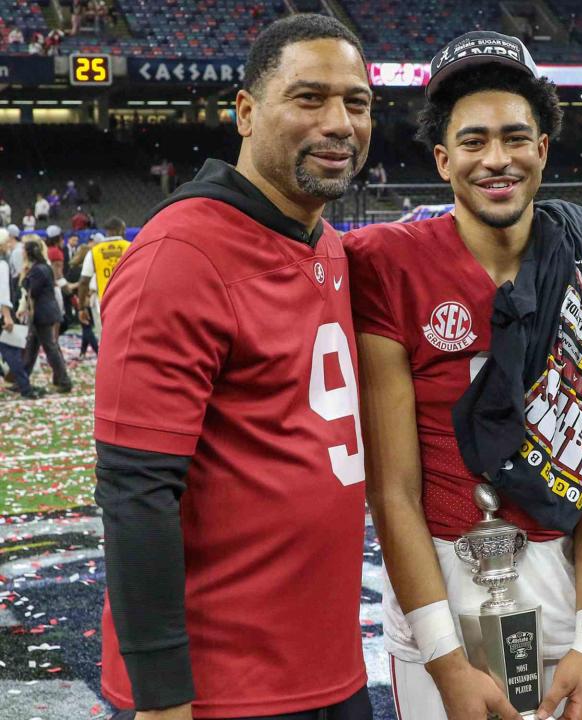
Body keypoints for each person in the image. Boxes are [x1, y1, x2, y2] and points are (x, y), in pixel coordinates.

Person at [346, 31, 582, 720]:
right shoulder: (388, 264)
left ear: (543, 147)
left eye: (515, 137)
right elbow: (393, 490)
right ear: (443, 159)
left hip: (569, 601)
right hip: (440, 612)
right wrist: (446, 661)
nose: (497, 159)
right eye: (474, 141)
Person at [94, 14, 373, 720]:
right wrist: (162, 700)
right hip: (223, 689)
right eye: (309, 98)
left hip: (329, 667)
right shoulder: (180, 257)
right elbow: (135, 493)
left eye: (357, 101)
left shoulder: (326, 243)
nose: (340, 122)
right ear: (245, 113)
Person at [20, 239, 72, 392]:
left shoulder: (37, 270)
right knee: (33, 347)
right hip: (47, 311)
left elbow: (32, 290)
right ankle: (23, 378)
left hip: (42, 313)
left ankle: (64, 381)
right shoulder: (45, 267)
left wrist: (25, 279)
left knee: (49, 347)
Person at [0, 230, 41, 399]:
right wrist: (7, 315)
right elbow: (2, 293)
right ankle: (25, 387)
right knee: (11, 351)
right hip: (1, 314)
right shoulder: (2, 265)